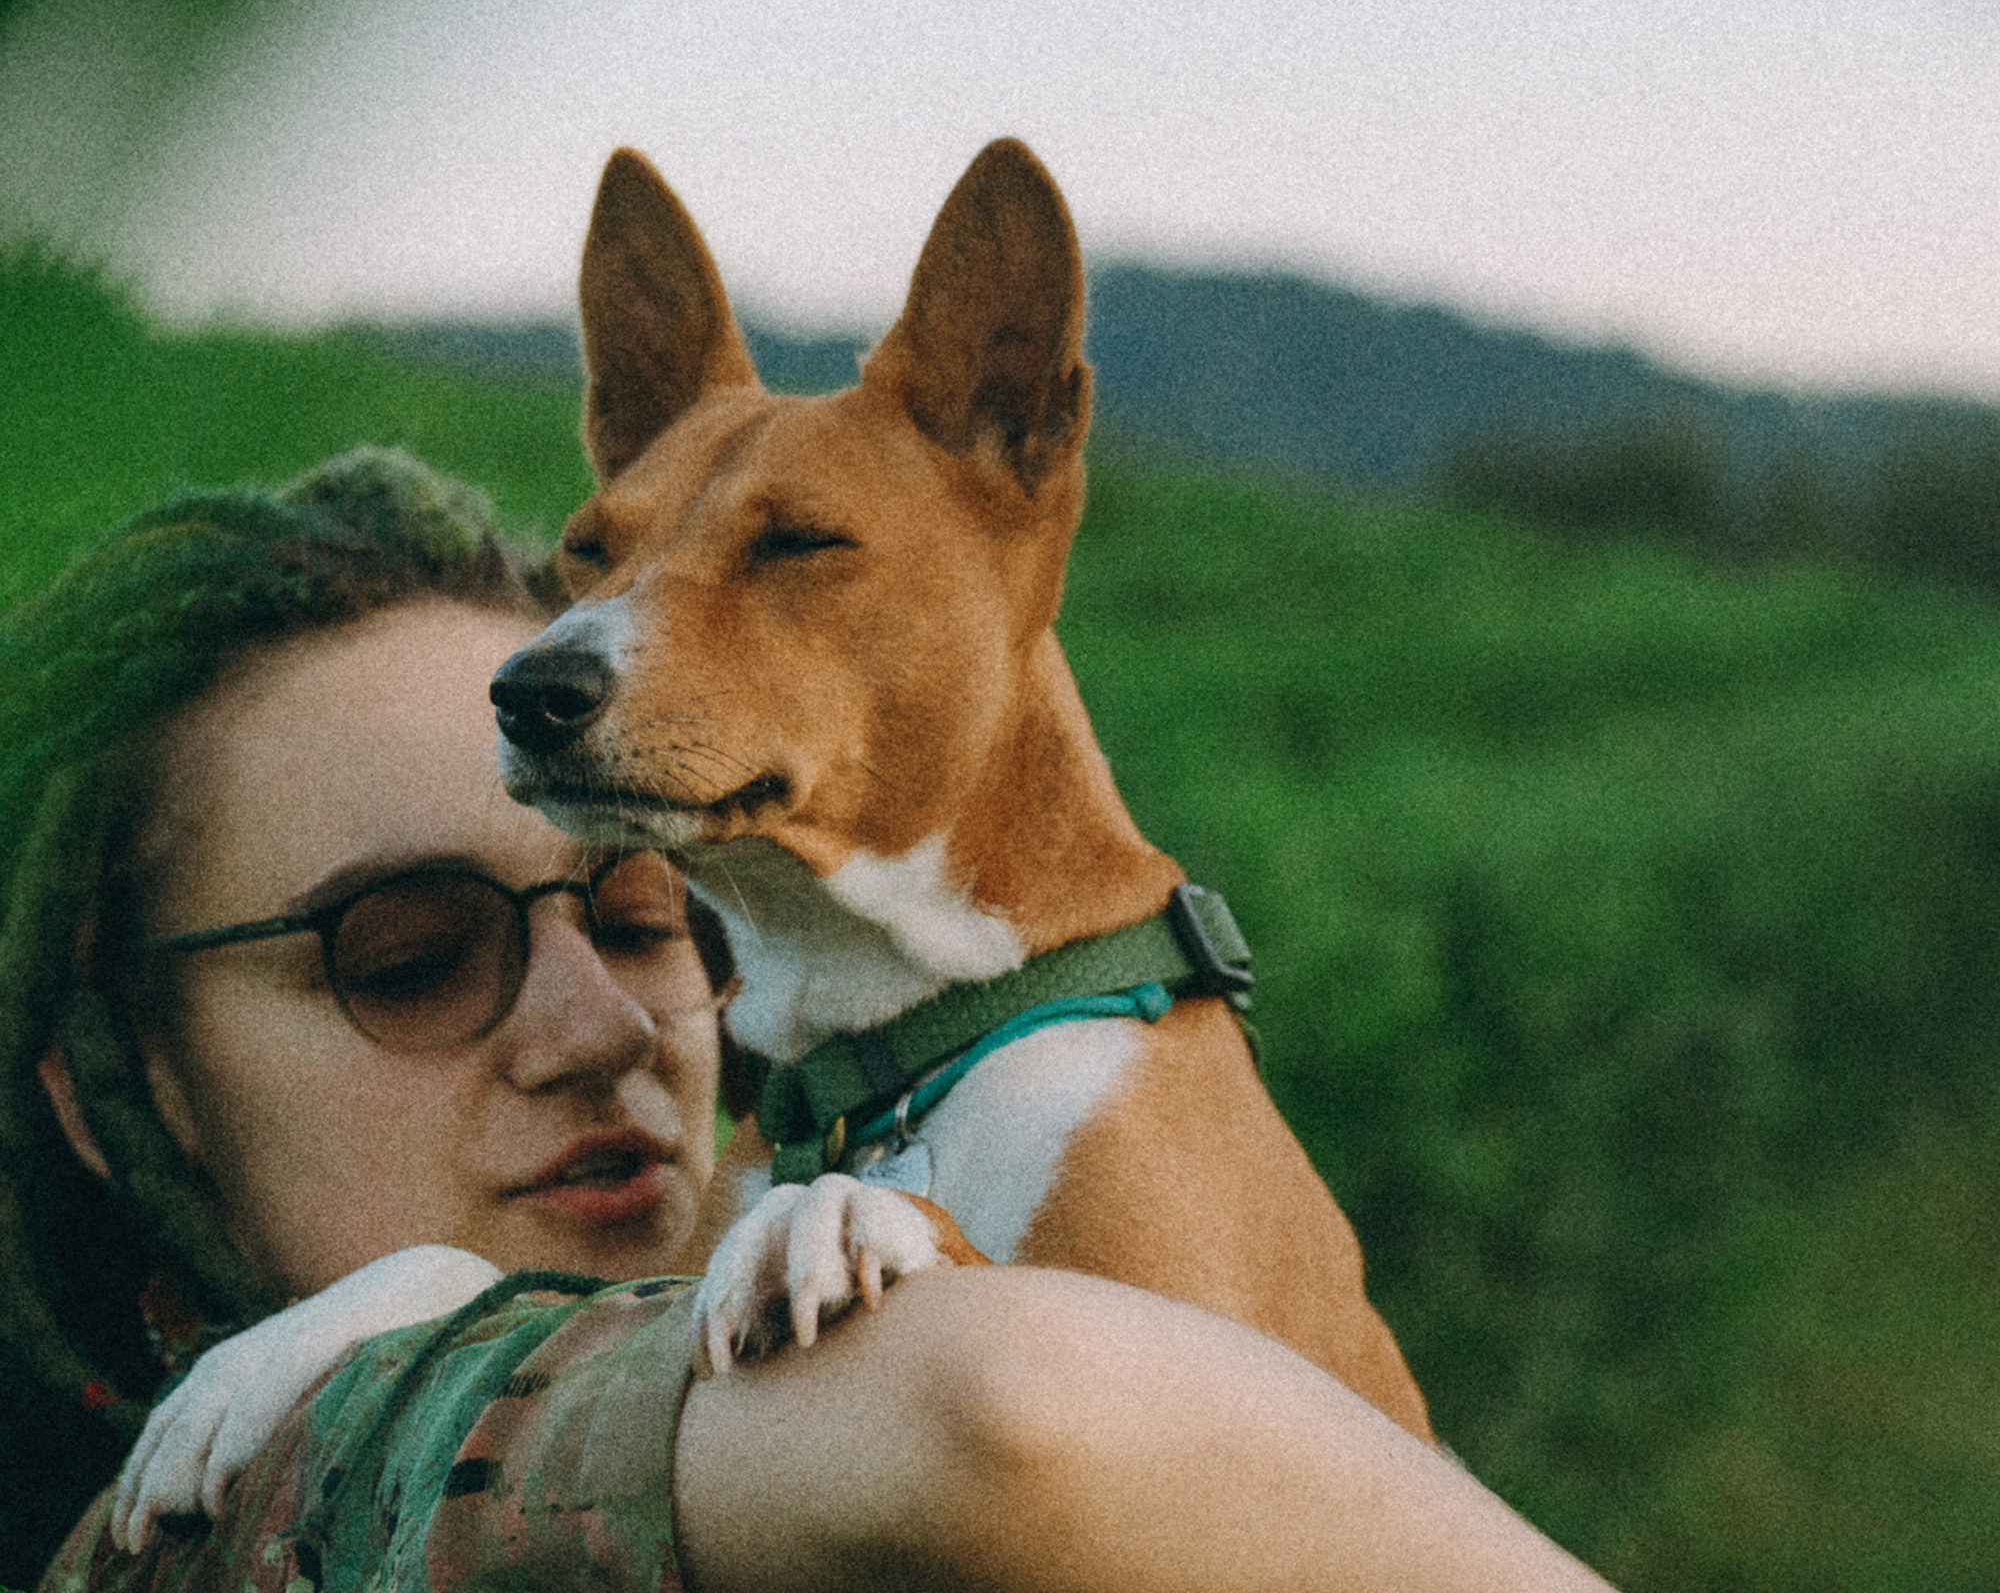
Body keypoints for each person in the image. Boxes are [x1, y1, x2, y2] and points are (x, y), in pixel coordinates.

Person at [1, 448, 1616, 1593]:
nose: (604, 1028)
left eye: (646, 911)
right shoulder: (218, 1518)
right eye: (407, 957)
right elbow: (1007, 1415)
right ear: (117, 1090)